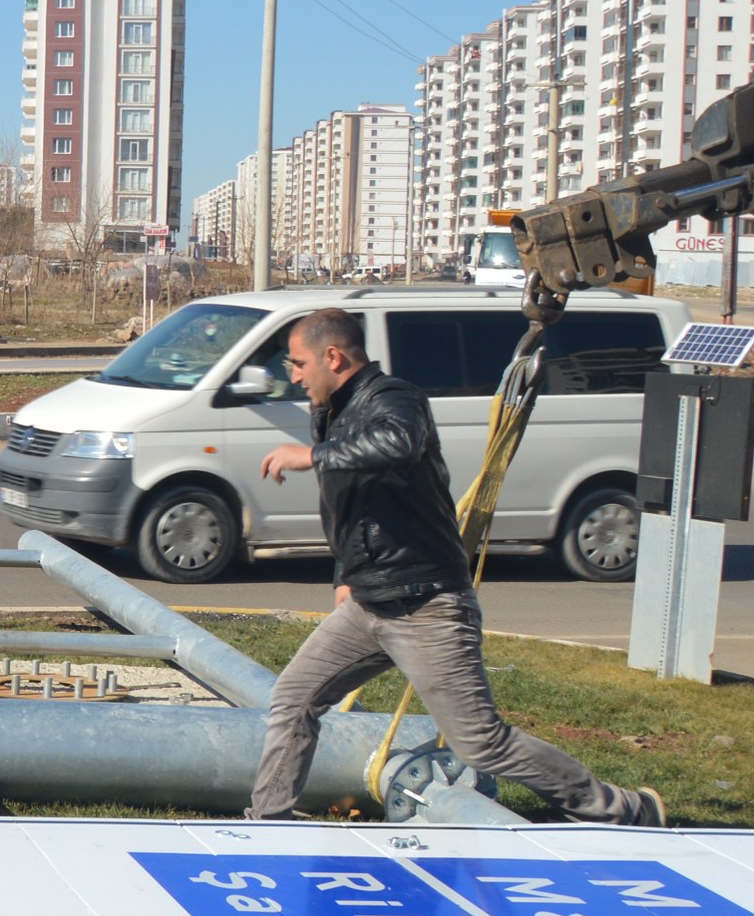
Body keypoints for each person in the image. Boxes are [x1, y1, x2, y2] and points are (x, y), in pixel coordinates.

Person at [248, 306, 662, 825]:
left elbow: (398, 444)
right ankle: (267, 821)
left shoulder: (395, 399)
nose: (294, 375)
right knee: (293, 698)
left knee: (483, 744)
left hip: (427, 605)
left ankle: (623, 809)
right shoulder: (333, 412)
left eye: (298, 363)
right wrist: (345, 577)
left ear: (333, 357)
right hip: (370, 603)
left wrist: (311, 456)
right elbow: (351, 508)